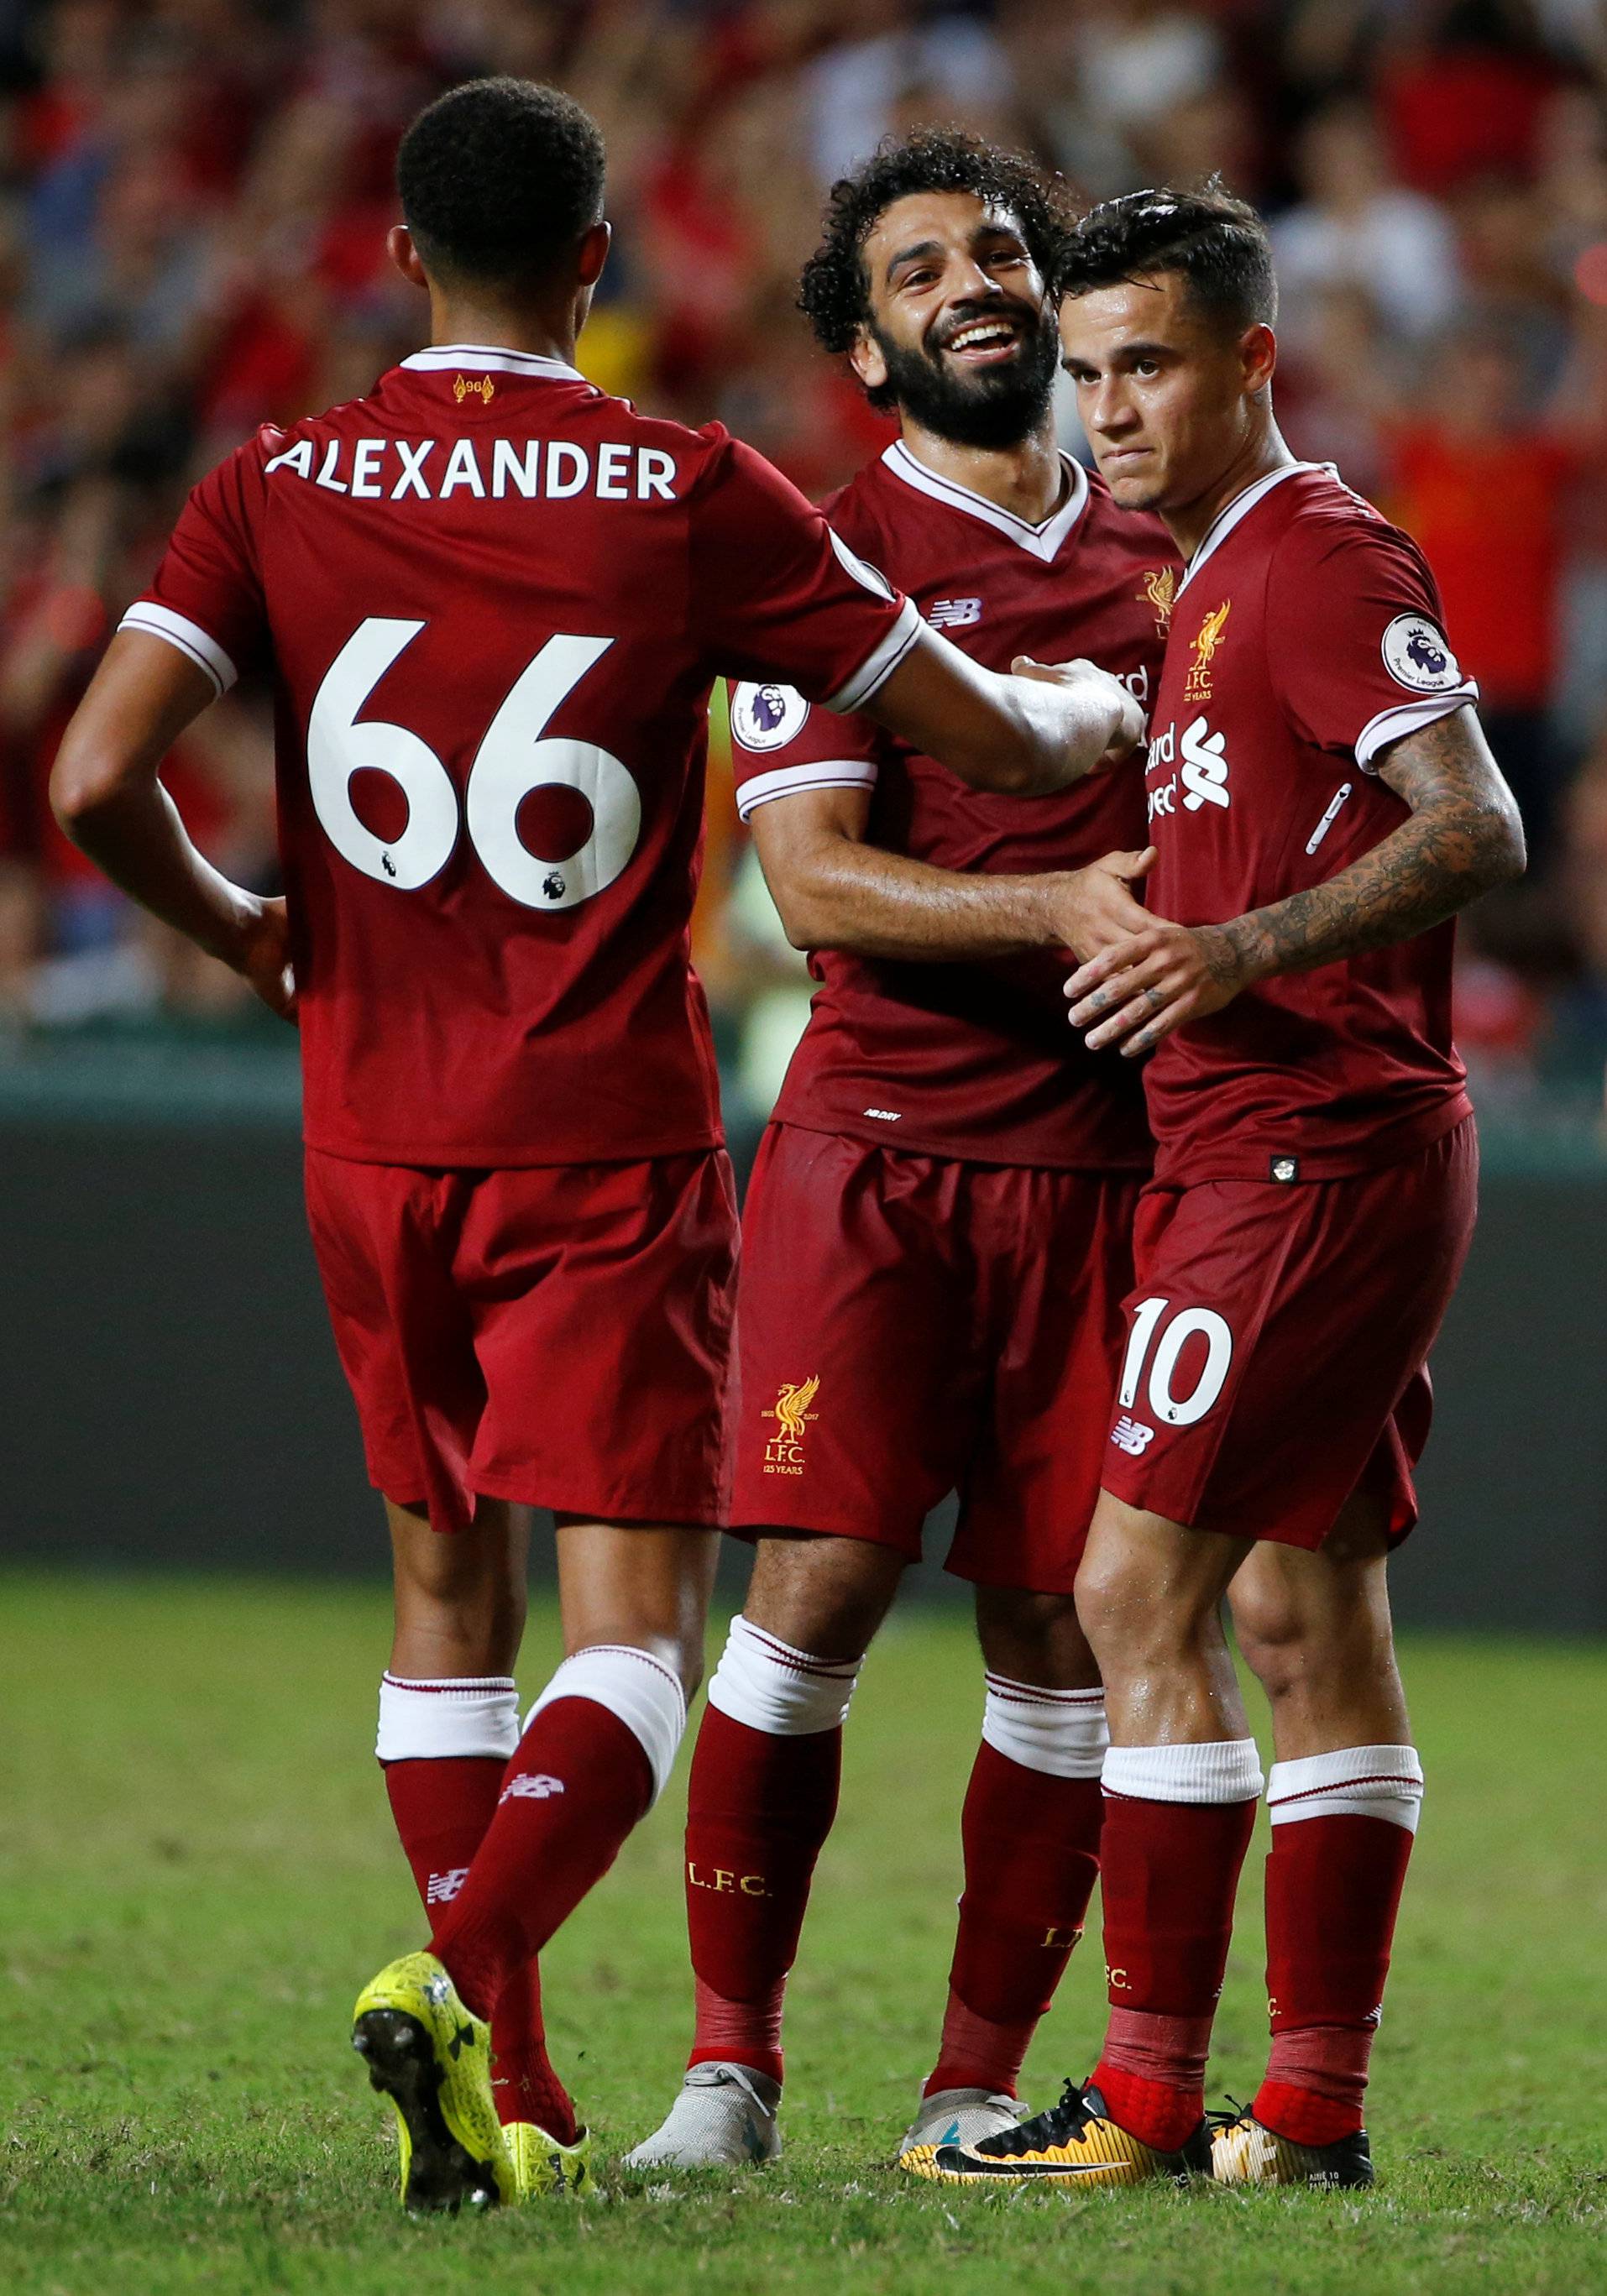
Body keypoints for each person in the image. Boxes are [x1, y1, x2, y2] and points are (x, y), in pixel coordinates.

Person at [49, 77, 1144, 2215]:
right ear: (596, 265)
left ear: (394, 260)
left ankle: (523, 2097)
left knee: (440, 1606)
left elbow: (93, 782)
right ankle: (457, 1979)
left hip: (366, 1127)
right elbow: (987, 739)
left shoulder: (276, 477)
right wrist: (1093, 727)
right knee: (630, 1636)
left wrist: (249, 929)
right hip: (598, 1133)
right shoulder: (682, 485)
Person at [927, 183, 1524, 2191]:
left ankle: (1146, 2097)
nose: (1109, 409)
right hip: (1302, 1147)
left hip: (1303, 1149)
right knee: (1301, 1610)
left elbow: (1478, 824)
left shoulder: (1312, 560)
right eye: (1086, 372)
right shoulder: (1206, 583)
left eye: (1150, 367)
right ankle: (1315, 2111)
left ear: (1251, 362)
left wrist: (1242, 950)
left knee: (1127, 1591)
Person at [626, 128, 1178, 2174]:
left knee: (1059, 1628)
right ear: (869, 350)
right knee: (823, 1584)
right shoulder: (822, 555)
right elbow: (819, 893)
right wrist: (1062, 907)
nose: (977, 283)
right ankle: (727, 2070)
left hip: (1122, 1170)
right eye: (923, 266)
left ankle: (968, 2086)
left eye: (1002, 251)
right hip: (881, 1152)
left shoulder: (1178, 543)